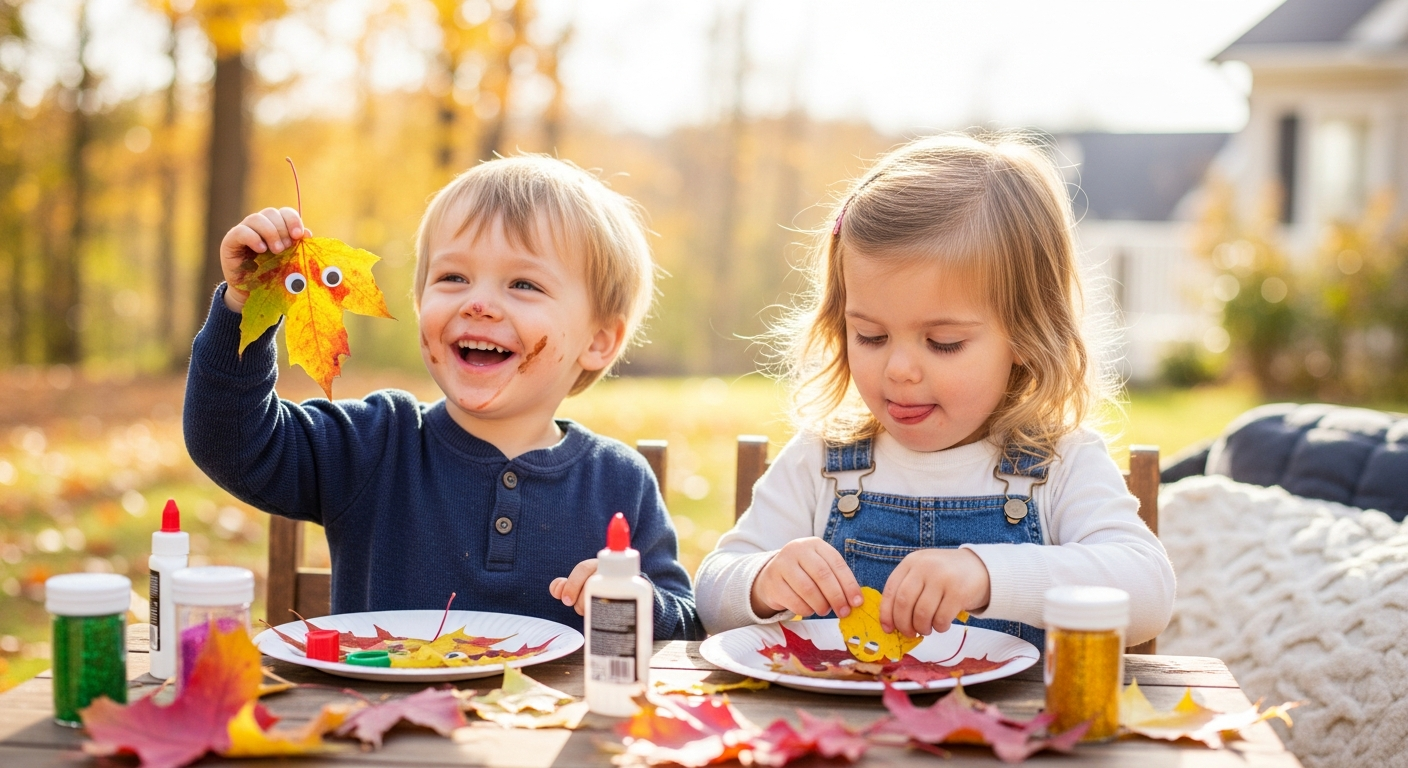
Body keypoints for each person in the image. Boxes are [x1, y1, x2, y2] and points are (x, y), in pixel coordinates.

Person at [184, 155, 702, 640]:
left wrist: (634, 604)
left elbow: (684, 624)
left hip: (546, 731)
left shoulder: (619, 481)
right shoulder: (375, 443)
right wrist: (245, 305)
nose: (479, 303)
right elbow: (231, 441)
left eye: (522, 284)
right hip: (382, 727)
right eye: (453, 277)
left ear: (597, 341)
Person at [695, 134, 1174, 647]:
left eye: (943, 343)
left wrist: (988, 575)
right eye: (871, 336)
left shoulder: (1057, 464)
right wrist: (763, 581)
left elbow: (1147, 589)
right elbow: (712, 591)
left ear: (1025, 335)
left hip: (1010, 726)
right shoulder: (823, 462)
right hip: (846, 725)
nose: (899, 369)